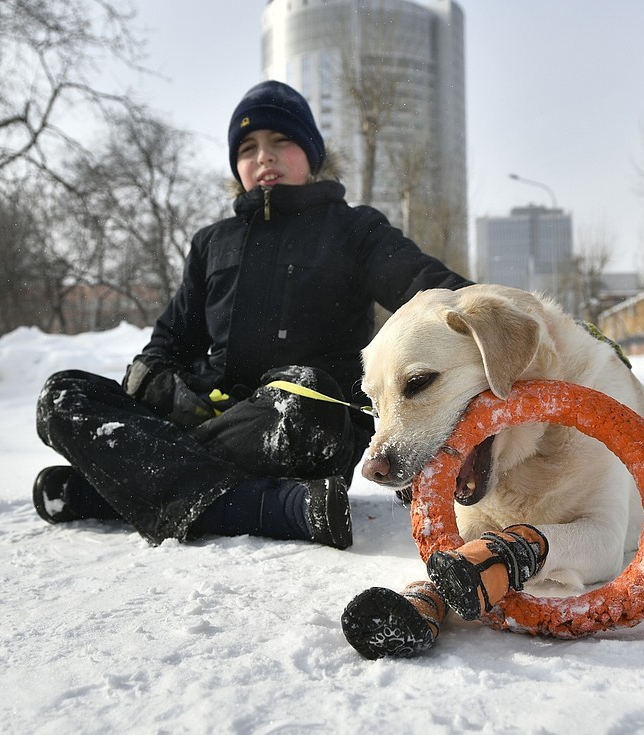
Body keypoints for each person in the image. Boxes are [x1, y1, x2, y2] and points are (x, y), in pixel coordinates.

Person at [32, 80, 471, 548]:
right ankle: (270, 506)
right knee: (61, 396)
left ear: (311, 154)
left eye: (282, 141)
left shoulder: (353, 231)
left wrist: (492, 312)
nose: (265, 156)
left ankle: (109, 488)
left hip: (306, 422)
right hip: (213, 421)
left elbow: (429, 287)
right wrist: (165, 384)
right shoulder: (211, 243)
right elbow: (166, 344)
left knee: (307, 394)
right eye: (248, 147)